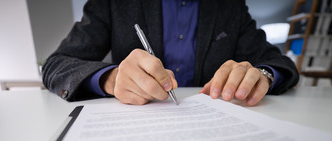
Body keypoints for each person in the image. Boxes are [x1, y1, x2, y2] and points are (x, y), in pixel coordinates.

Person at [42, 0, 299, 106]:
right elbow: (55, 65)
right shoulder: (113, 2)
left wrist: (263, 74)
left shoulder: (229, 6)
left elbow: (278, 62)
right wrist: (111, 78)